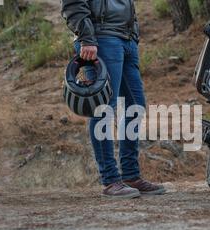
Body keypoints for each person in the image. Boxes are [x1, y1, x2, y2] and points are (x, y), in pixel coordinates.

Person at [61, 0, 166, 199]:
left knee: (135, 106)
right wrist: (86, 38)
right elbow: (73, 3)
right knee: (104, 109)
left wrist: (133, 34)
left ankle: (130, 175)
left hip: (126, 39)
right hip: (101, 38)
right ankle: (110, 179)